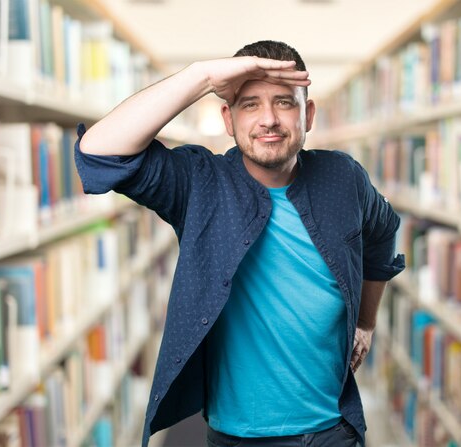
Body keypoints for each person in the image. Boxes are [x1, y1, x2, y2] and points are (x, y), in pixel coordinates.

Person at [75, 40, 404, 447]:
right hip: (236, 437)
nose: (269, 119)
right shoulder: (200, 183)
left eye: (284, 102)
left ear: (309, 114)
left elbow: (383, 234)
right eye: (250, 104)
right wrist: (203, 76)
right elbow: (98, 154)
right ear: (228, 119)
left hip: (333, 431)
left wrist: (366, 323)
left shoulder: (343, 177)